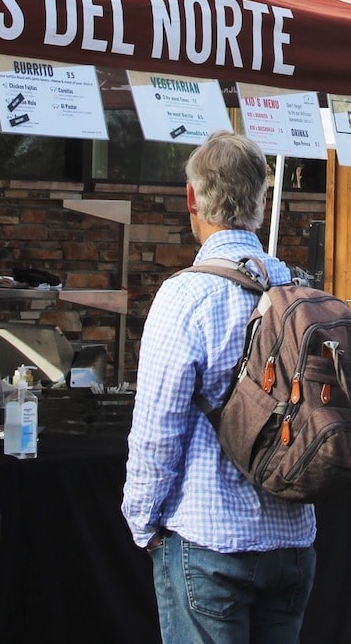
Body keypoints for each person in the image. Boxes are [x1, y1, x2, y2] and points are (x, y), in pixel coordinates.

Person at [121, 131, 316, 644]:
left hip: (210, 539)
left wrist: (143, 522)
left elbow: (156, 430)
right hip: (292, 538)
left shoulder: (184, 295)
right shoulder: (300, 288)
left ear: (192, 199)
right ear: (262, 200)